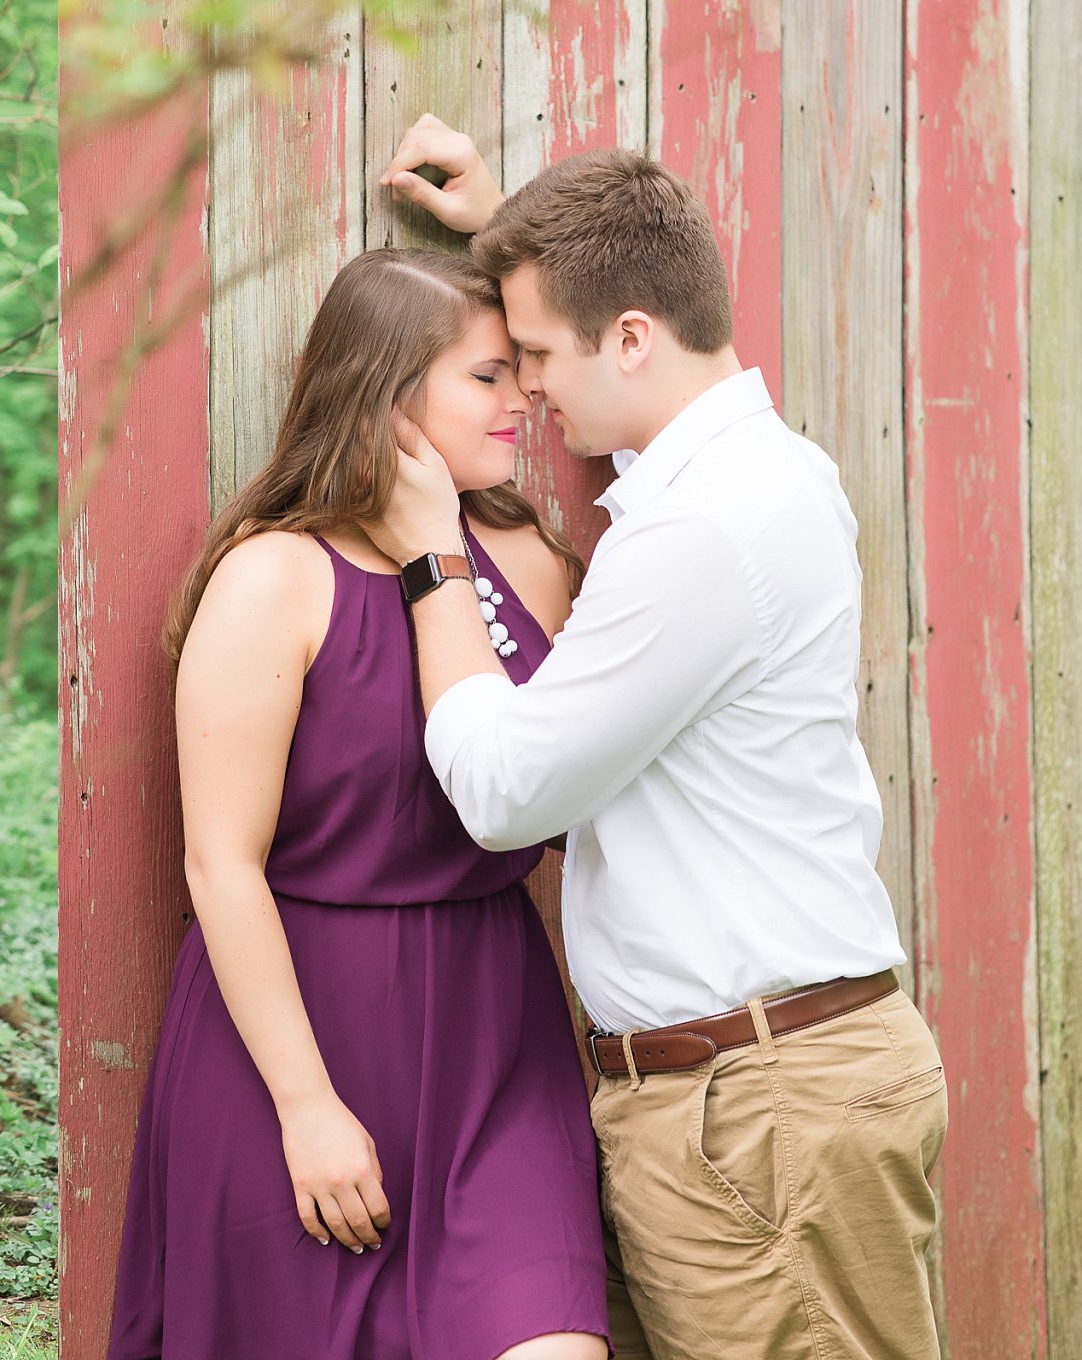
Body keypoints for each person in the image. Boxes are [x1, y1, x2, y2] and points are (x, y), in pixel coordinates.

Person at [374, 115, 948, 1359]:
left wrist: (431, 559)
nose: (526, 385)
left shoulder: (699, 531)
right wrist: (518, 238)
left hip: (758, 1112)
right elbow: (618, 344)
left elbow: (505, 793)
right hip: (741, 1096)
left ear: (630, 335)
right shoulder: (760, 472)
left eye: (536, 352)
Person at [107, 247, 610, 1360]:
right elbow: (220, 865)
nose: (522, 397)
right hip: (294, 1035)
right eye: (486, 375)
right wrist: (305, 1106)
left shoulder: (527, 562)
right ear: (389, 393)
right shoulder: (273, 578)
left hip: (494, 1034)